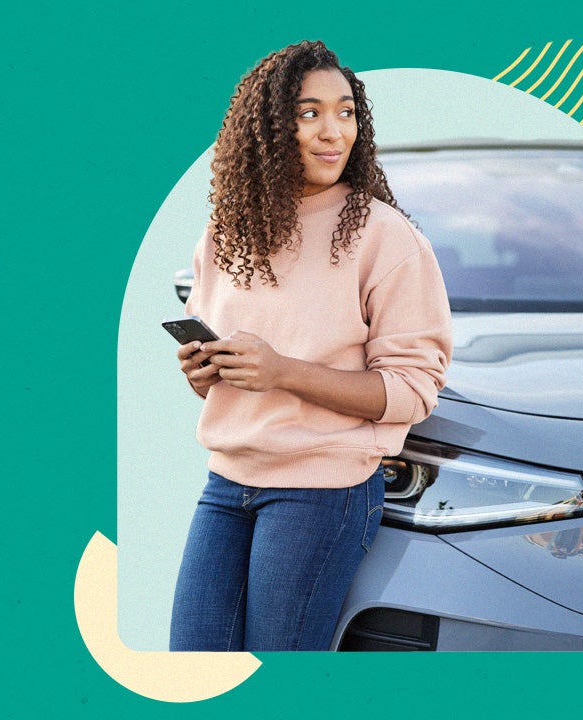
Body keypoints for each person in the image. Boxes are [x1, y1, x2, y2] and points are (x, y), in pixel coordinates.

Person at [168, 41, 452, 652]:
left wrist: (282, 372)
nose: (333, 132)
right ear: (268, 129)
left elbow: (413, 391)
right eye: (309, 113)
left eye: (345, 112)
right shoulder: (225, 235)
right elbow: (219, 363)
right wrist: (203, 371)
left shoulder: (386, 238)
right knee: (192, 666)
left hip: (322, 492)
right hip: (227, 480)